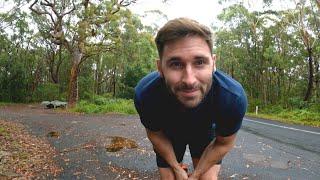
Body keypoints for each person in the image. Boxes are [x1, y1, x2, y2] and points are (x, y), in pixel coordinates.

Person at [134, 18, 247, 180]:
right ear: (160, 68)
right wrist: (176, 168)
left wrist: (196, 175)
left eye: (200, 62)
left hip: (204, 131)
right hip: (169, 133)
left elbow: (223, 143)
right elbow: (156, 135)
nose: (190, 80)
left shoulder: (232, 97)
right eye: (175, 64)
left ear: (213, 63)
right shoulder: (146, 94)